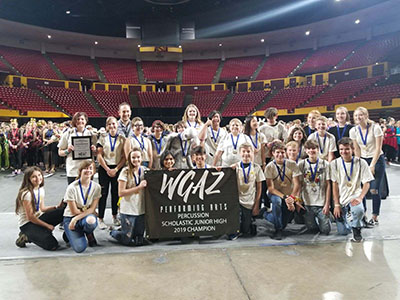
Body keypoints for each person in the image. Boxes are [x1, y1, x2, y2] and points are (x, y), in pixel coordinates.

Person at [331, 137, 374, 242]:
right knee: (343, 231)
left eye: (347, 149)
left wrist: (360, 198)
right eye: (341, 149)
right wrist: (336, 204)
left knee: (358, 210)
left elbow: (367, 183)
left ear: (352, 149)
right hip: (342, 199)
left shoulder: (361, 163)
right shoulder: (335, 164)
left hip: (355, 196)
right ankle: (353, 218)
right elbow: (335, 185)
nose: (344, 152)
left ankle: (357, 230)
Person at [350, 107, 385, 226]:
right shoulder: (354, 131)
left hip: (376, 159)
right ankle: (362, 214)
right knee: (362, 189)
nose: (358, 118)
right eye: (356, 116)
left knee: (374, 189)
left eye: (360, 115)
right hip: (363, 159)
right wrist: (359, 163)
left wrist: (372, 165)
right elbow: (356, 149)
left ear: (366, 115)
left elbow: (378, 148)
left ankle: (375, 216)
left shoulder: (375, 128)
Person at [15, 167, 64, 250]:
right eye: (34, 177)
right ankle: (26, 236)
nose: (38, 178)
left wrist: (56, 207)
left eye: (39, 175)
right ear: (28, 179)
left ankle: (40, 232)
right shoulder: (26, 193)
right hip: (27, 224)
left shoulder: (40, 189)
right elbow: (30, 217)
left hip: (38, 218)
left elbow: (42, 209)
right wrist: (47, 226)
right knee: (52, 245)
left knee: (63, 210)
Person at [263, 141, 302, 240]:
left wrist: (292, 198)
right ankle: (278, 230)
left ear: (285, 153)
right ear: (273, 153)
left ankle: (266, 214)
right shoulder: (269, 167)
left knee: (285, 220)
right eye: (277, 152)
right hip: (275, 194)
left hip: (289, 195)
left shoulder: (292, 164)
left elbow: (297, 184)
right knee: (277, 202)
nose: (280, 155)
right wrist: (285, 198)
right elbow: (271, 188)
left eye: (282, 152)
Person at [110, 148, 148, 246]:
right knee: (127, 239)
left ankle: (126, 230)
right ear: (129, 159)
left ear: (142, 158)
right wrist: (138, 188)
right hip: (128, 208)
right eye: (133, 157)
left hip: (141, 208)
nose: (136, 160)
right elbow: (121, 193)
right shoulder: (125, 171)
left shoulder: (145, 170)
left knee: (139, 239)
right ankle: (114, 232)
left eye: (138, 157)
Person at [63, 160, 101, 253]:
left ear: (94, 172)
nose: (88, 171)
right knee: (80, 248)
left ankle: (88, 232)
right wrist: (74, 218)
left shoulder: (96, 187)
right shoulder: (72, 187)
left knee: (91, 221)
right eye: (85, 168)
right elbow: (74, 211)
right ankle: (67, 234)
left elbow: (93, 208)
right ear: (80, 171)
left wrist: (76, 219)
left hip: (82, 217)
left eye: (90, 168)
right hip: (70, 217)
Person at [230, 143, 265, 239]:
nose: (246, 154)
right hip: (237, 199)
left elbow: (259, 188)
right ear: (239, 153)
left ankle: (249, 224)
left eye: (248, 151)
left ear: (253, 153)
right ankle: (234, 230)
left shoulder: (257, 168)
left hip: (250, 199)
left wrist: (257, 204)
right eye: (243, 151)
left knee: (245, 229)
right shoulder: (234, 167)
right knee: (235, 219)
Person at [97, 116, 126, 229]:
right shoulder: (102, 137)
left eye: (114, 124)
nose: (112, 126)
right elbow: (99, 155)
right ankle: (100, 218)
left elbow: (124, 157)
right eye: (109, 124)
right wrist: (107, 169)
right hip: (105, 168)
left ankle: (115, 216)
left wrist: (116, 169)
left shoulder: (122, 138)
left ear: (117, 125)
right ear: (107, 126)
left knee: (115, 193)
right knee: (103, 194)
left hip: (117, 168)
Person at [298, 140, 331, 235]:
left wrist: (327, 204)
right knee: (312, 229)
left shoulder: (325, 164)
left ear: (318, 150)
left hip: (321, 202)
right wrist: (299, 200)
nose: (311, 151)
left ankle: (328, 217)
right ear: (305, 150)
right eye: (309, 149)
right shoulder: (302, 164)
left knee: (325, 230)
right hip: (307, 202)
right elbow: (299, 183)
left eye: (314, 148)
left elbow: (328, 185)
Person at [58, 112, 97, 184]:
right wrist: (67, 151)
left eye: (82, 119)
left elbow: (96, 154)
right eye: (78, 119)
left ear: (86, 121)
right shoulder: (68, 133)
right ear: (74, 121)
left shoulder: (92, 134)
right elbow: (60, 152)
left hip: (87, 169)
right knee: (73, 192)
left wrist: (94, 150)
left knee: (87, 192)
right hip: (73, 169)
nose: (80, 121)